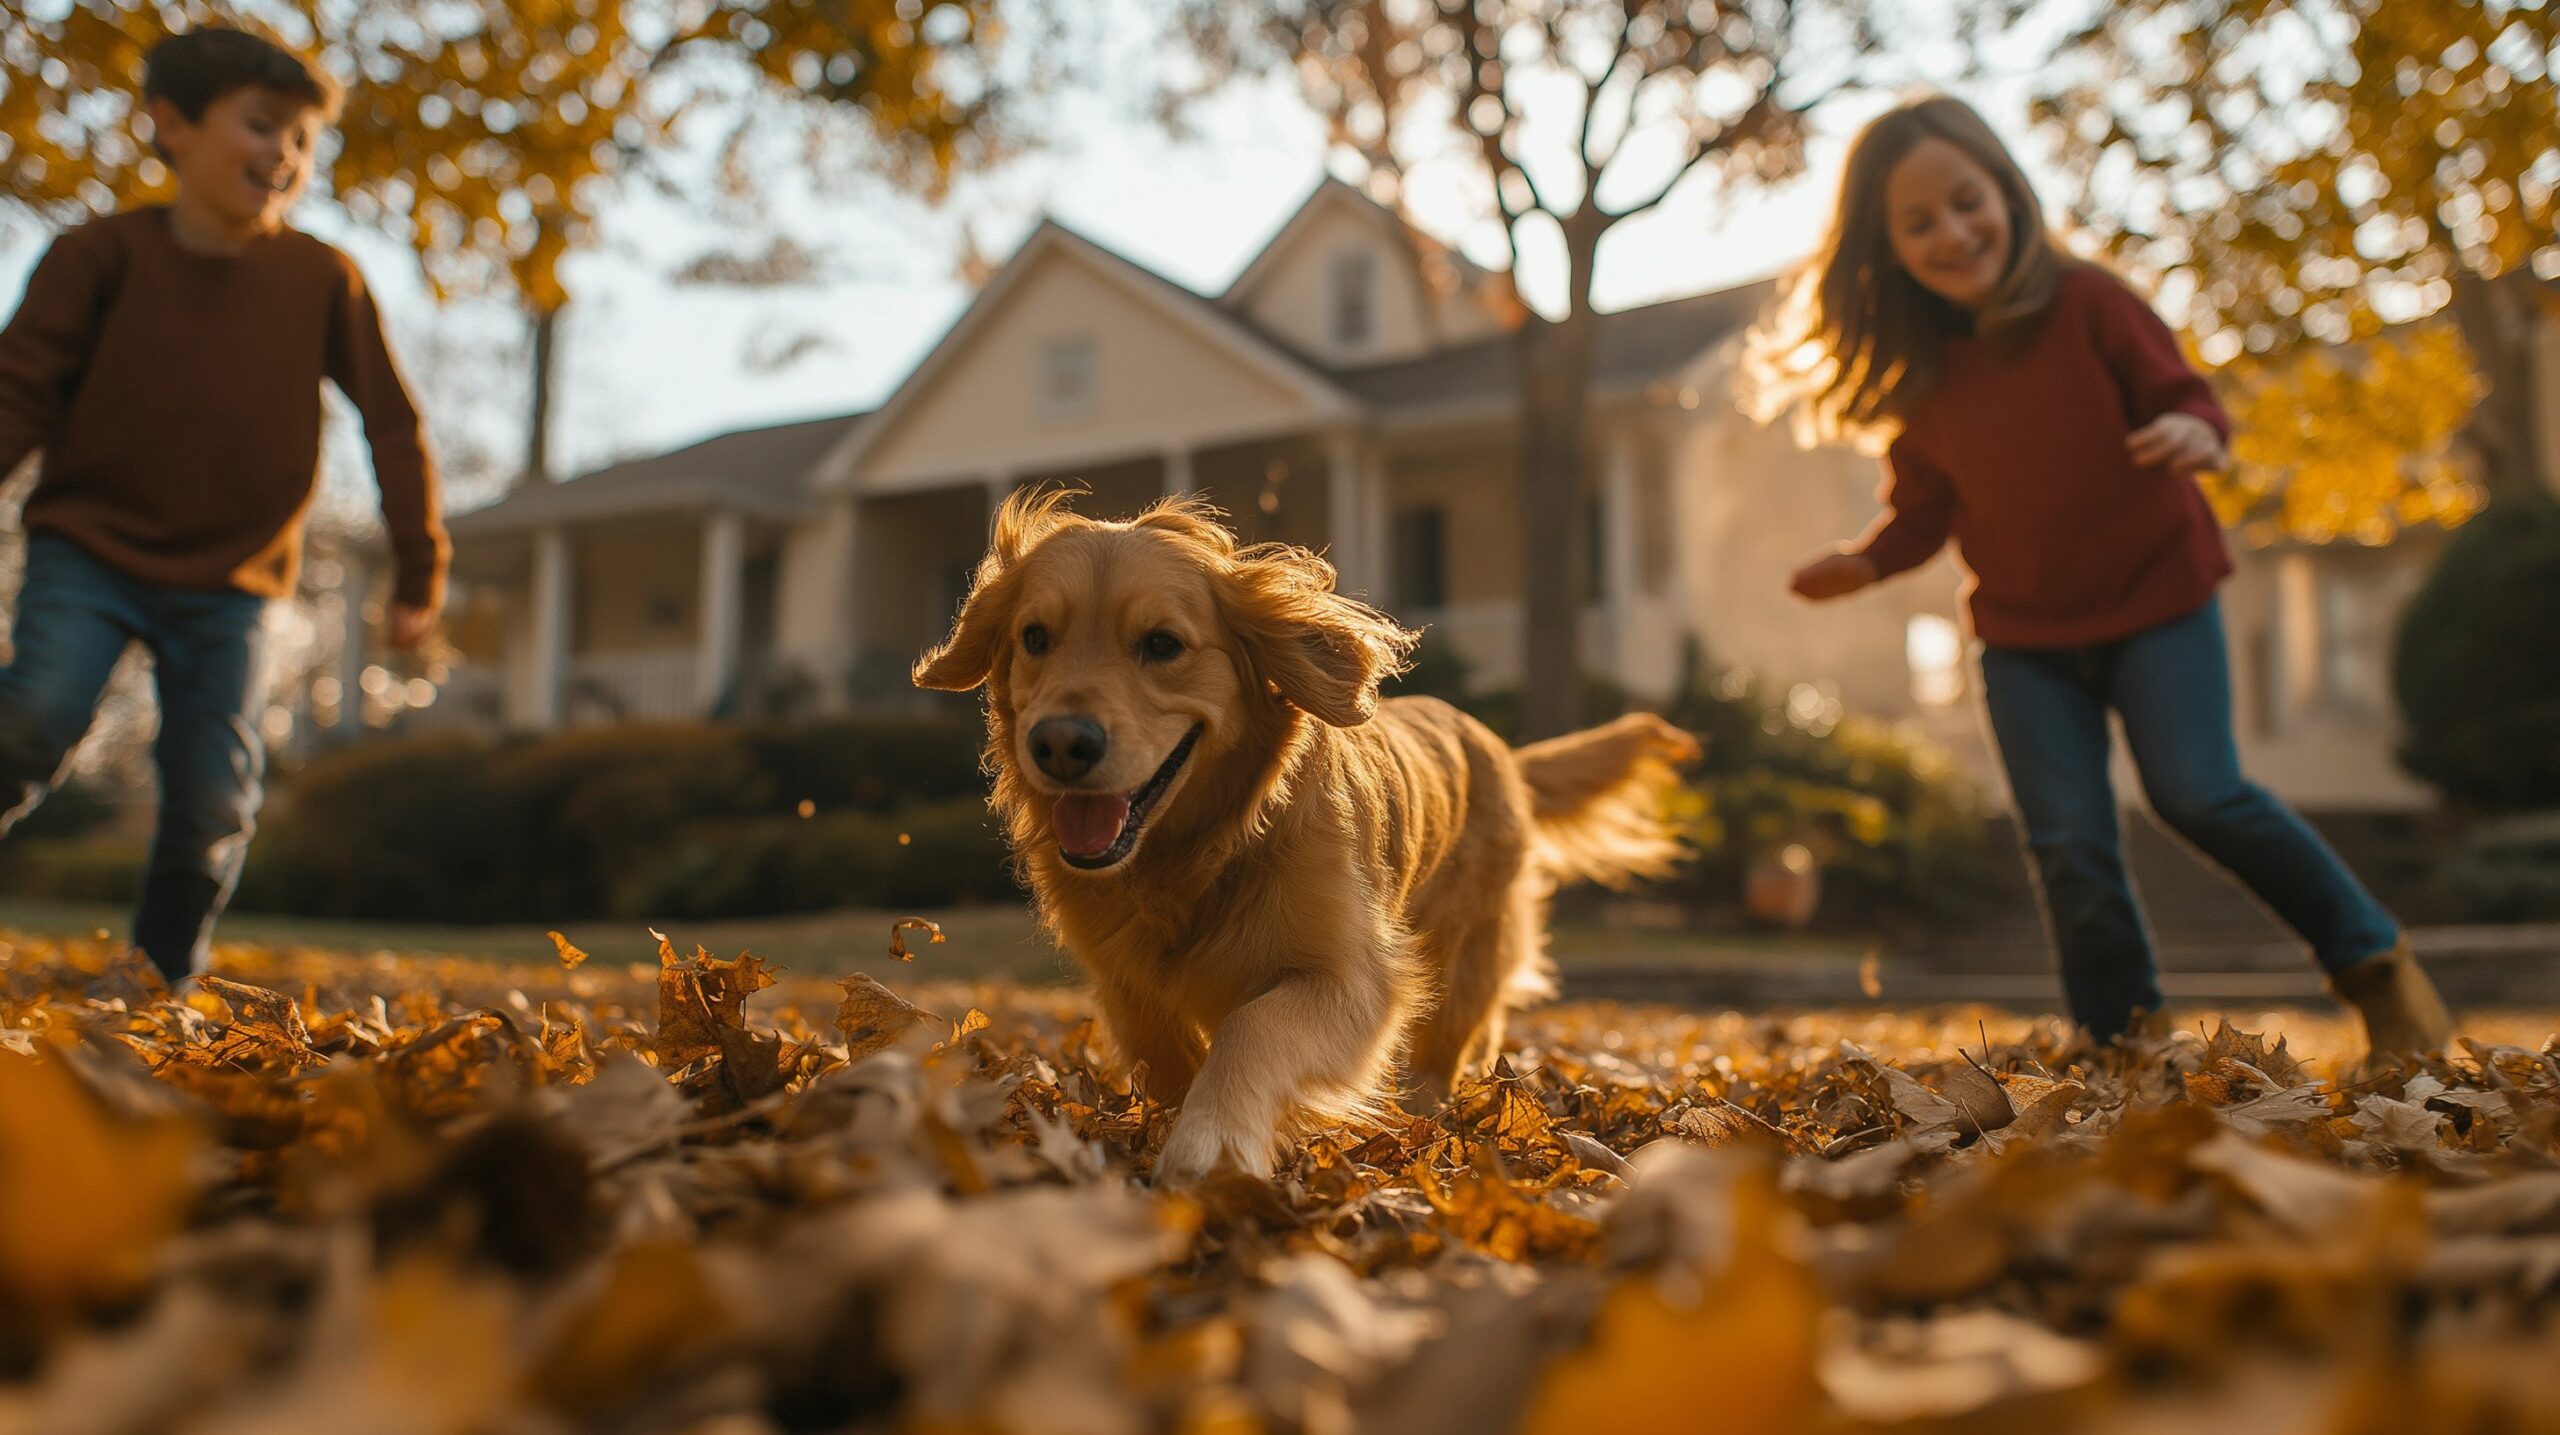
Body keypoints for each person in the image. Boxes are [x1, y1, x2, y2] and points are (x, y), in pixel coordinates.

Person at [1743, 93, 2449, 1062]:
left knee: (2199, 793)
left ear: (2007, 191)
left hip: (2159, 604)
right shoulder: (1924, 377)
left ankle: (2377, 967)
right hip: (2024, 642)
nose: (1952, 231)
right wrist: (1865, 561)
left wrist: (2195, 433)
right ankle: (2123, 1041)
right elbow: (1923, 512)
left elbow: (2186, 397)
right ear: (1888, 248)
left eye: (1965, 200)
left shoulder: (2090, 303)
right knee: (2068, 844)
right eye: (1918, 223)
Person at [0, 27, 448, 984]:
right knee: (34, 716)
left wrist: (418, 568)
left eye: (299, 139)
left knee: (212, 792)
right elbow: (18, 393)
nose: (283, 155)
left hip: (234, 583)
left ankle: (159, 980)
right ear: (171, 126)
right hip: (90, 551)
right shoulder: (96, 256)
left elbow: (393, 423)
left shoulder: (323, 279)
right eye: (260, 126)